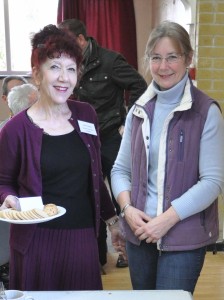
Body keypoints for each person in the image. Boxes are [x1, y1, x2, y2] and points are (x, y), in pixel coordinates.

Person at [0, 24, 126, 291]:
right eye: (54, 67)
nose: (64, 77)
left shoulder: (86, 115)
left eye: (71, 69)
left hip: (82, 238)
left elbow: (93, 173)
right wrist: (7, 197)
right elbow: (3, 181)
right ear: (37, 74)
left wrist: (113, 221)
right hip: (35, 243)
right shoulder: (15, 129)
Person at [111, 20, 224, 294]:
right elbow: (119, 170)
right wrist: (127, 210)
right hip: (140, 235)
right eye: (156, 58)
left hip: (182, 238)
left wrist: (166, 220)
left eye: (172, 57)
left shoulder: (206, 111)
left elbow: (213, 182)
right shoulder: (138, 109)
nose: (163, 67)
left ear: (188, 58)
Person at [58, 18, 147, 268]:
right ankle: (96, 253)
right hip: (81, 137)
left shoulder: (111, 60)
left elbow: (139, 85)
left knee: (121, 193)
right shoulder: (69, 63)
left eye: (68, 43)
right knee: (90, 190)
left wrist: (128, 121)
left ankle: (126, 251)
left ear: (80, 40)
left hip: (109, 136)